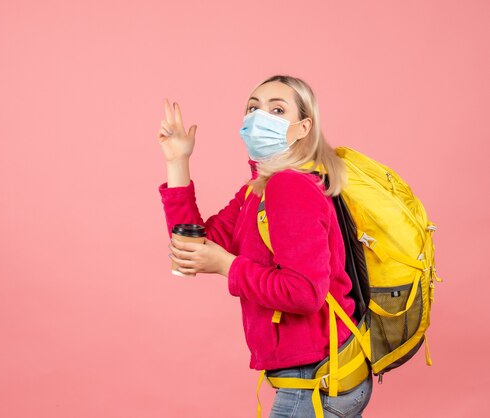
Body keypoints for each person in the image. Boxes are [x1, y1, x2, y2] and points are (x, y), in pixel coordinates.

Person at [156, 75, 373, 418]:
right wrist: (177, 161)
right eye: (253, 108)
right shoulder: (257, 190)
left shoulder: (290, 187)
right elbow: (193, 246)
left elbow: (304, 292)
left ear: (303, 128)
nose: (259, 117)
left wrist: (227, 265)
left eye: (276, 109)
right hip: (327, 373)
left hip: (313, 380)